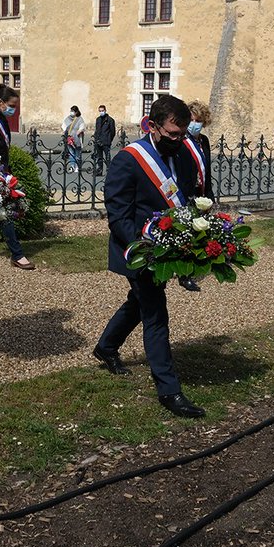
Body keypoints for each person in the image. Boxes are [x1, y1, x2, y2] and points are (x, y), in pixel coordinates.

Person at [94, 94, 206, 419]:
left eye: (182, 133)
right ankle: (169, 390)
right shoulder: (129, 160)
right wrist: (145, 249)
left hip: (166, 249)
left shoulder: (181, 154)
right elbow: (118, 215)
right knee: (156, 313)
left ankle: (106, 347)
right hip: (139, 251)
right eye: (173, 133)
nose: (179, 139)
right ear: (154, 126)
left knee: (139, 303)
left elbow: (186, 199)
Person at [0, 83, 35, 270]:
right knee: (4, 214)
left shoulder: (1, 118)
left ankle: (17, 253)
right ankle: (17, 254)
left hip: (2, 172)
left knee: (0, 213)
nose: (13, 109)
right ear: (1, 102)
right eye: (11, 105)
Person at [177, 100, 215, 292]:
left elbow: (207, 170)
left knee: (200, 232)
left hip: (201, 193)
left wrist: (210, 194)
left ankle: (195, 265)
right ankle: (184, 274)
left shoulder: (204, 141)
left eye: (198, 120)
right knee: (186, 234)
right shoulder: (182, 141)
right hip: (186, 193)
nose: (195, 123)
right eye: (191, 119)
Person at [93, 104, 116, 170]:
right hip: (98, 141)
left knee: (107, 157)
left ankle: (109, 169)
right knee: (99, 157)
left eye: (102, 110)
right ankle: (100, 170)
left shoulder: (110, 120)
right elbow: (97, 129)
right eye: (100, 111)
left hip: (106, 141)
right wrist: (96, 138)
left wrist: (109, 139)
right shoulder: (98, 119)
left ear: (105, 110)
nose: (101, 112)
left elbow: (112, 132)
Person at [62, 105, 85, 173]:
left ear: (76, 112)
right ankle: (72, 166)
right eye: (71, 111)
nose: (71, 112)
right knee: (71, 153)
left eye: (73, 111)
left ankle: (77, 167)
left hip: (77, 138)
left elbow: (82, 127)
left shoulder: (80, 119)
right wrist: (65, 132)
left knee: (77, 154)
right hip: (69, 138)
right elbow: (64, 126)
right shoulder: (68, 118)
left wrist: (79, 131)